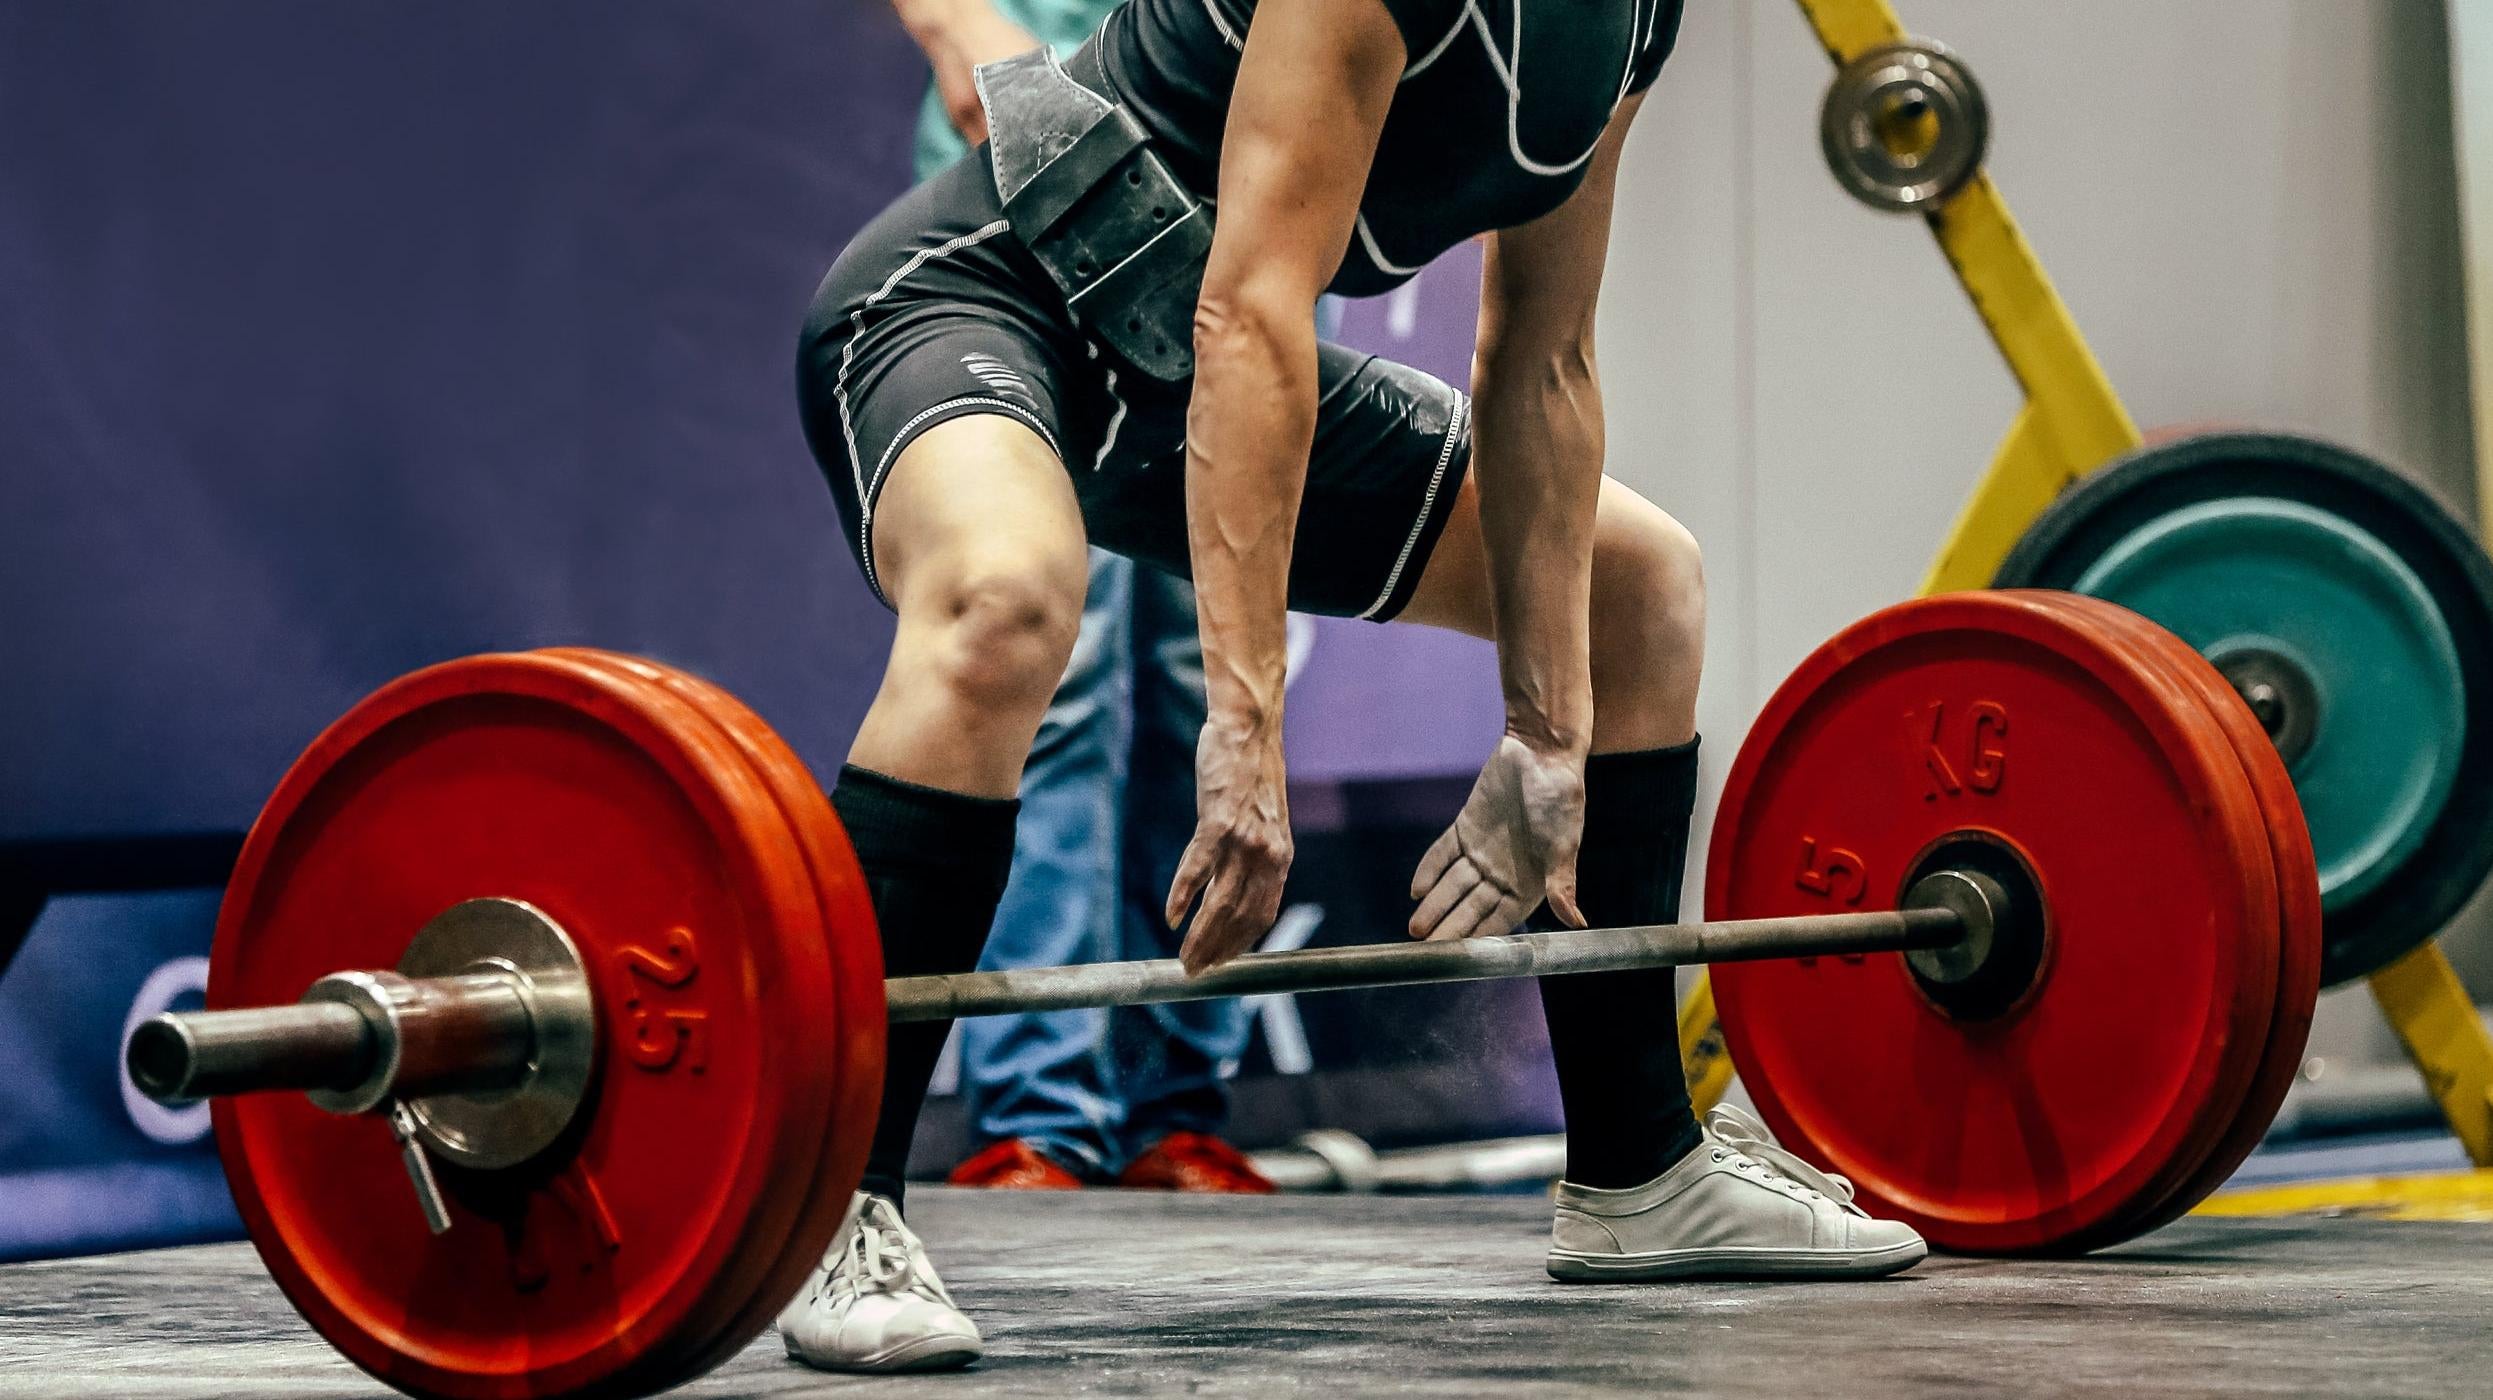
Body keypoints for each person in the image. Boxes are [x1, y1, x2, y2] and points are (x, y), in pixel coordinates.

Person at [780, 0, 1928, 1374]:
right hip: (977, 305)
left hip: (1176, 363)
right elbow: (1250, 316)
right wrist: (1245, 739)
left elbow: (1544, 358)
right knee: (1004, 597)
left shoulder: (1631, 22)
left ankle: (1638, 1171)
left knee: (1637, 590)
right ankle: (828, 1210)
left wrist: (1546, 733)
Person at [890, 0, 1274, 1196]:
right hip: (1031, 170)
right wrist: (962, 28)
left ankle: (1176, 1109)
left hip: (1240, 180)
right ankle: (1037, 1117)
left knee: (1202, 671)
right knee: (1053, 667)